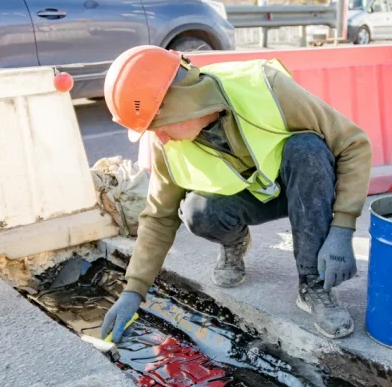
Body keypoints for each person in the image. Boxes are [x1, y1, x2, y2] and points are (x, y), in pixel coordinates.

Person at [100, 45, 372, 341]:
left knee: (306, 148)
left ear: (183, 102)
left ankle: (314, 285)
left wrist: (342, 228)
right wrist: (134, 289)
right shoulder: (165, 145)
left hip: (302, 189)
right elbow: (159, 216)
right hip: (247, 198)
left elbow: (353, 143)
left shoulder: (266, 88)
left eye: (159, 124)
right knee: (196, 211)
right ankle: (235, 243)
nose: (160, 136)